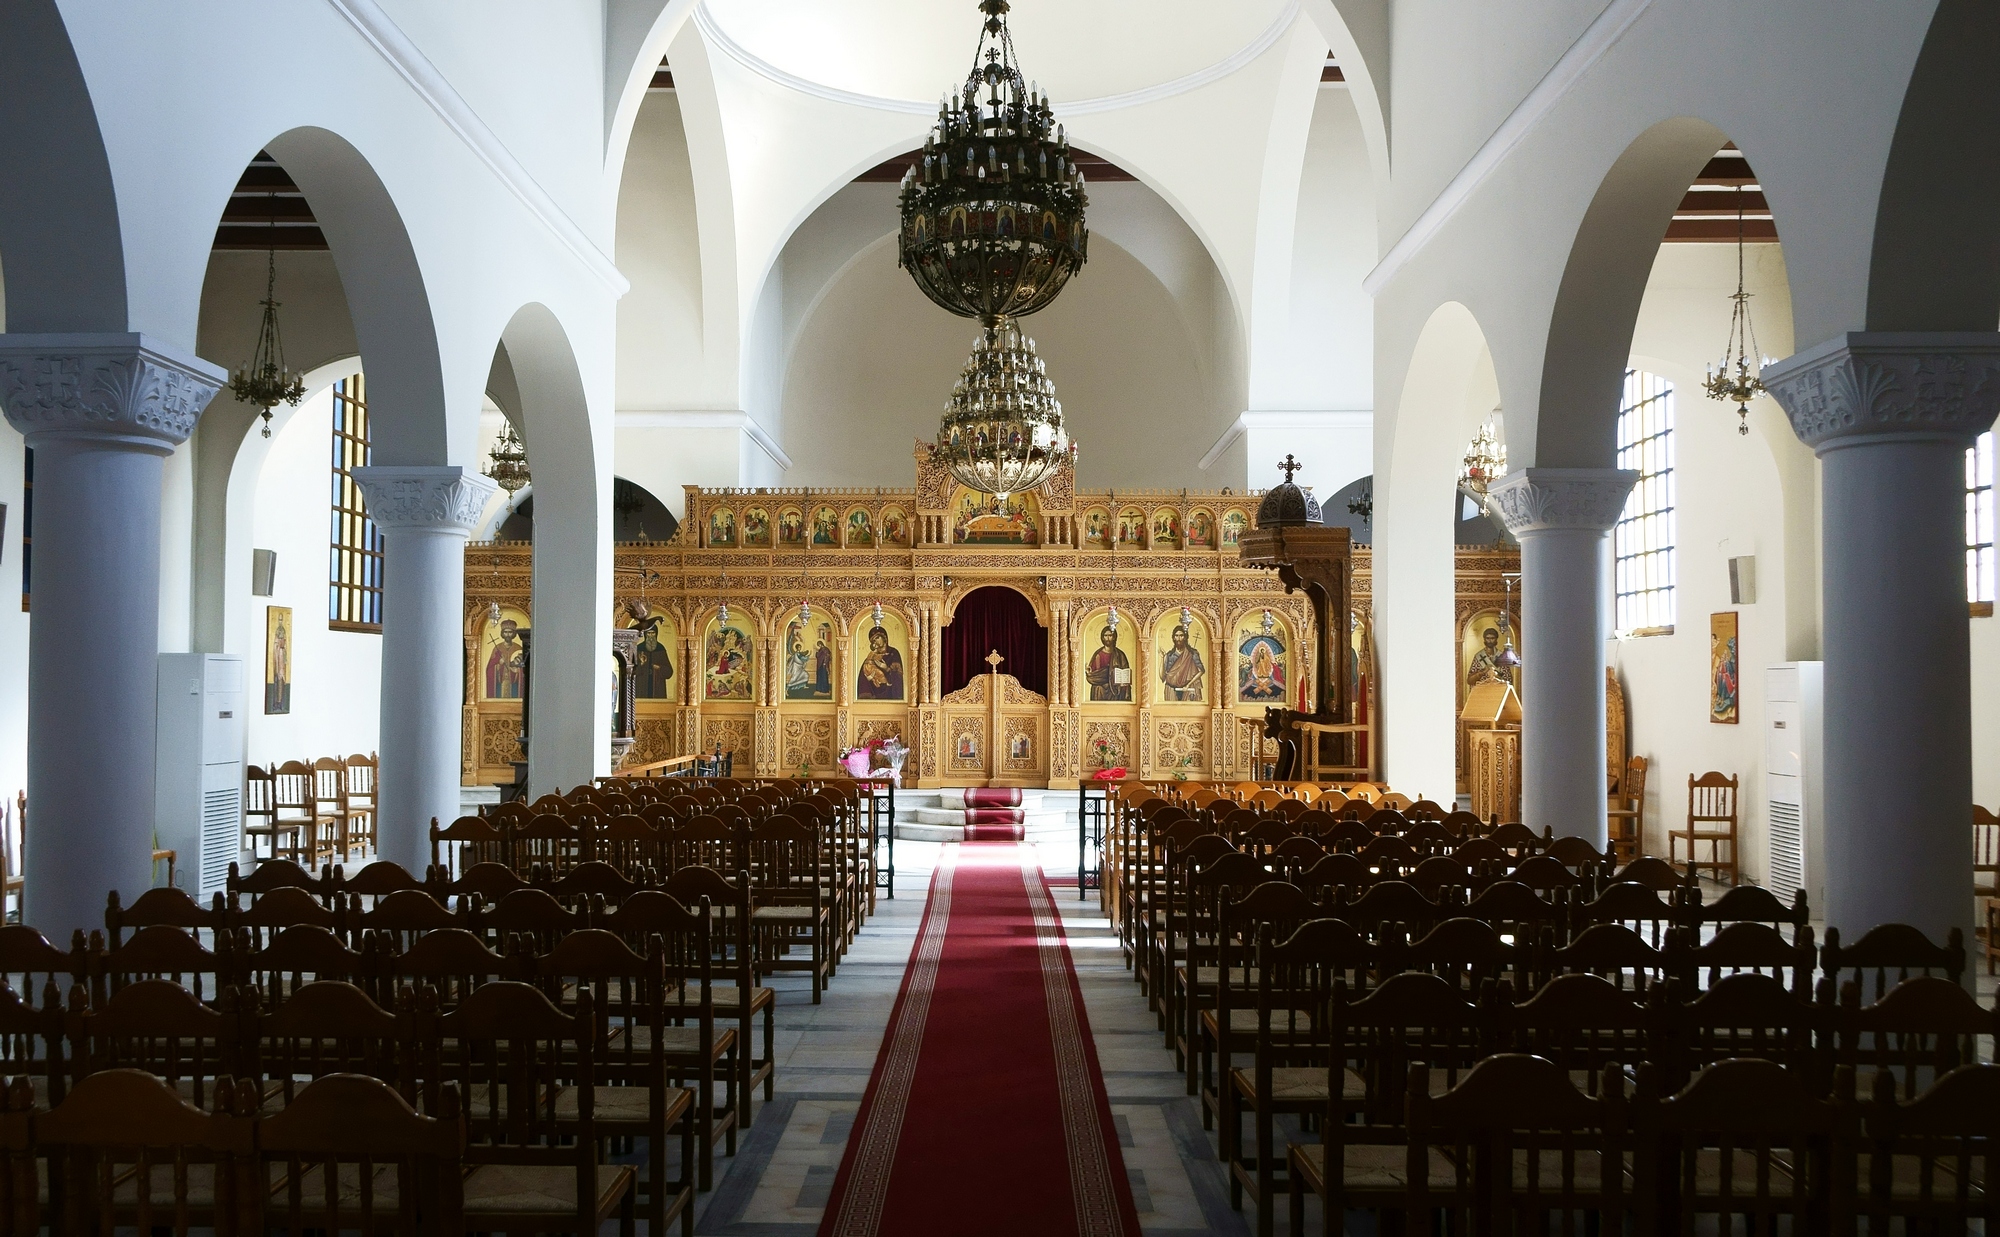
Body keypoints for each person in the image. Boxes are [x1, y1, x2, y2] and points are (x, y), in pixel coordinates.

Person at [857, 625, 905, 700]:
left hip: (890, 695)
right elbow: (863, 679)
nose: (876, 641)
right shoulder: (871, 657)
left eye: (877, 638)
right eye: (873, 640)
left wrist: (886, 669)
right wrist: (869, 678)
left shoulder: (893, 653)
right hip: (875, 696)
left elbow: (898, 677)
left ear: (884, 637)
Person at [1085, 624, 1132, 702]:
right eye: (1105, 635)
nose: (1108, 638)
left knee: (1123, 688)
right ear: (1102, 637)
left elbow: (1125, 673)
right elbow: (1093, 675)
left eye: (1110, 635)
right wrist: (1089, 672)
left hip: (1116, 687)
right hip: (1101, 686)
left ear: (1114, 637)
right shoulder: (1098, 655)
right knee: (1098, 688)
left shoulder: (1120, 655)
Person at [1159, 624, 1205, 702]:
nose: (1179, 638)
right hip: (1171, 689)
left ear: (1185, 637)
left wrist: (1188, 684)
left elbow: (1201, 670)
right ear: (1173, 638)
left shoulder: (1192, 653)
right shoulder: (1169, 655)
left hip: (1188, 689)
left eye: (1181, 635)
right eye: (1176, 636)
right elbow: (1162, 677)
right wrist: (1162, 658)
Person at [633, 617, 673, 698]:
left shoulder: (660, 648)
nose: (651, 636)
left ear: (656, 634)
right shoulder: (639, 649)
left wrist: (659, 668)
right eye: (649, 633)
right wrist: (642, 664)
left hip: (657, 687)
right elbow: (632, 672)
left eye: (653, 633)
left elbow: (669, 672)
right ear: (645, 634)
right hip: (642, 687)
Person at [486, 618, 525, 699]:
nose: (507, 634)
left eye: (510, 632)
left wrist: (518, 671)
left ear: (514, 634)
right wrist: (498, 664)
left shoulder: (518, 648)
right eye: (505, 632)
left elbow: (525, 668)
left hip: (514, 683)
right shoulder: (497, 648)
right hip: (500, 683)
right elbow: (489, 669)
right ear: (502, 633)